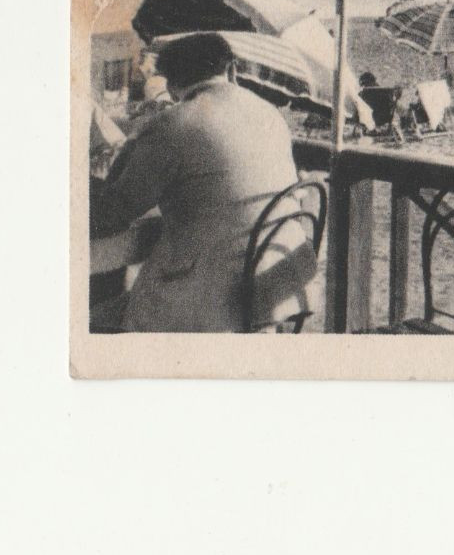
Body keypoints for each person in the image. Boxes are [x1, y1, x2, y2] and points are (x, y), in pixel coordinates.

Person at [88, 33, 308, 333]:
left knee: (91, 326)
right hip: (281, 282)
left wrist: (128, 152)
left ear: (169, 83)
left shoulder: (172, 123)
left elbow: (115, 212)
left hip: (215, 301)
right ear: (231, 70)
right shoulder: (270, 114)